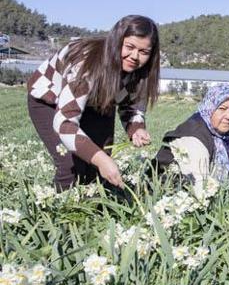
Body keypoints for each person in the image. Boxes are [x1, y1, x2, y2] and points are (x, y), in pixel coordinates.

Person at [27, 15, 160, 190]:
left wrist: (136, 128)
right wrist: (101, 159)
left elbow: (131, 106)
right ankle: (58, 210)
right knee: (70, 165)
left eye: (144, 52)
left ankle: (95, 211)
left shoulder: (141, 72)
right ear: (116, 41)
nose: (135, 56)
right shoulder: (87, 64)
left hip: (97, 102)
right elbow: (65, 123)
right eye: (129, 47)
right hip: (50, 100)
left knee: (97, 168)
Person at [153, 84, 229, 190]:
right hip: (172, 194)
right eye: (222, 109)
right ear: (209, 108)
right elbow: (200, 187)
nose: (228, 116)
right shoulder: (194, 135)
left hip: (219, 194)